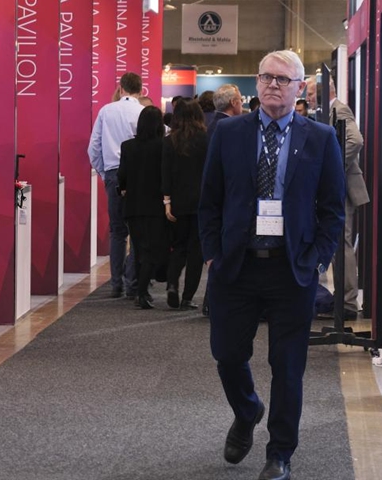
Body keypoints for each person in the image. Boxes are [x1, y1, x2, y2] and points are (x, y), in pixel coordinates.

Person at [198, 50, 345, 480]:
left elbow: (332, 210)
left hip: (291, 269)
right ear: (257, 84)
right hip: (236, 267)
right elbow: (209, 201)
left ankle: (280, 450)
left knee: (287, 366)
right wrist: (212, 253)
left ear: (300, 88)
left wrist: (317, 259)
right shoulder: (229, 132)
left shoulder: (319, 139)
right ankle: (247, 411)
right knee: (226, 354)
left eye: (283, 79)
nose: (272, 85)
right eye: (266, 77)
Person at [306, 76, 370, 319]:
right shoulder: (330, 111)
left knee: (342, 246)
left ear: (322, 93)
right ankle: (343, 301)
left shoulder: (340, 109)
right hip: (338, 189)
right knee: (337, 246)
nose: (309, 100)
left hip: (344, 188)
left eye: (311, 95)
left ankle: (348, 304)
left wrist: (332, 167)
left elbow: (356, 140)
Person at [88, 73, 145, 298]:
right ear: (140, 90)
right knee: (138, 231)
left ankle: (116, 284)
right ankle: (132, 282)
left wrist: (104, 172)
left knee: (117, 231)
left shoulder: (106, 111)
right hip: (138, 176)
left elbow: (93, 148)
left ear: (120, 88)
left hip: (113, 172)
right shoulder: (142, 112)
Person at [117, 106, 166, 309]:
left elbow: (122, 176)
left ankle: (139, 289)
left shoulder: (128, 146)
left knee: (138, 248)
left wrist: (123, 189)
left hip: (133, 205)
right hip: (155, 205)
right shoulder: (163, 146)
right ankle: (142, 291)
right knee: (152, 250)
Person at [161, 99, 208, 310]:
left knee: (178, 247)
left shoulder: (169, 141)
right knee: (196, 251)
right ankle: (188, 297)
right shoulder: (205, 139)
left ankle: (172, 284)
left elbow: (165, 174)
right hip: (200, 202)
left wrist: (167, 201)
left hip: (177, 201)